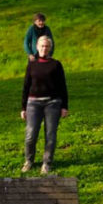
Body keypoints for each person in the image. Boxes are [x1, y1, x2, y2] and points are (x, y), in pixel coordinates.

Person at [21, 35, 69, 175]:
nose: (44, 48)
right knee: (30, 134)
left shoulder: (56, 64)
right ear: (37, 47)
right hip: (33, 103)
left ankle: (47, 163)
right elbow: (26, 86)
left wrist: (64, 106)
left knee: (50, 135)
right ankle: (29, 161)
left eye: (47, 46)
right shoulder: (32, 64)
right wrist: (23, 107)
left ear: (50, 48)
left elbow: (62, 86)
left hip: (52, 103)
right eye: (42, 46)